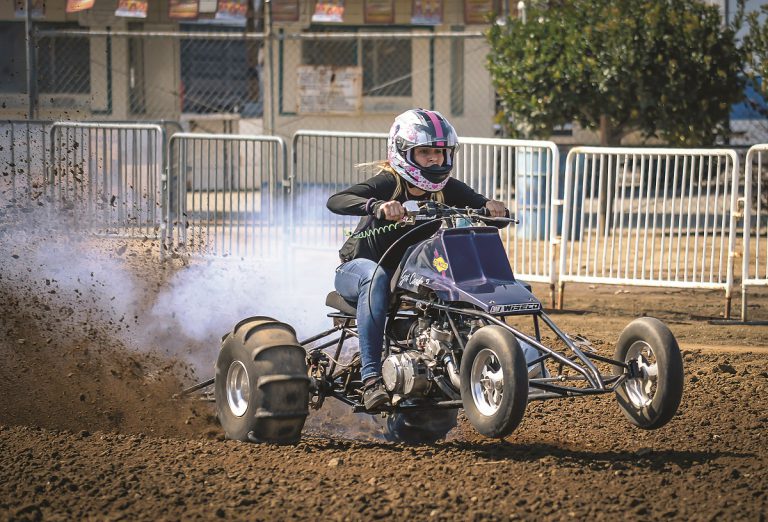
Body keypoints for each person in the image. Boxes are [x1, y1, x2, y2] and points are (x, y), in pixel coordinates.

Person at [326, 109, 508, 410]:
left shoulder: (446, 189)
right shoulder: (390, 182)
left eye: (440, 153)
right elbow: (337, 200)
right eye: (425, 152)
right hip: (357, 270)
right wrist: (377, 206)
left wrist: (492, 207)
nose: (435, 160)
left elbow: (481, 207)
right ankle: (371, 378)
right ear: (403, 152)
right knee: (375, 278)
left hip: (406, 276)